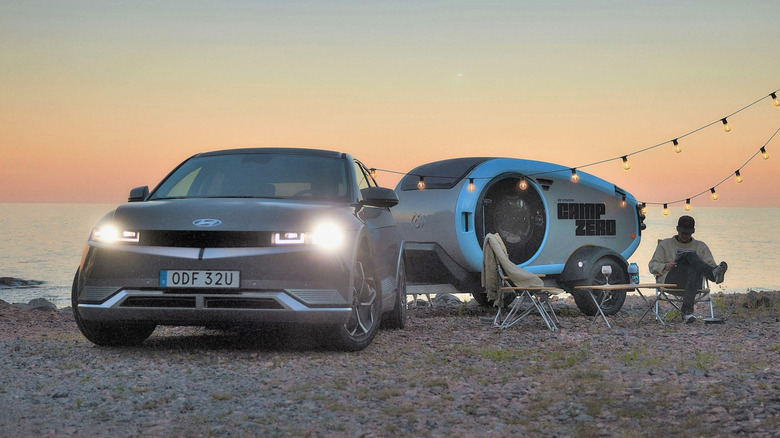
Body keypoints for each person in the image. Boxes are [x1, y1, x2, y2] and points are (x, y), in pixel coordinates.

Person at [648, 215, 728, 323]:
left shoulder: (701, 246)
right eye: (682, 232)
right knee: (691, 257)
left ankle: (687, 313)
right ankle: (712, 276)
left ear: (693, 231)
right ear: (677, 229)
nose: (684, 236)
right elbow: (652, 265)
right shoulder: (665, 244)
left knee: (693, 267)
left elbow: (711, 264)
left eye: (687, 233)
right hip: (672, 281)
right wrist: (665, 266)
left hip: (694, 282)